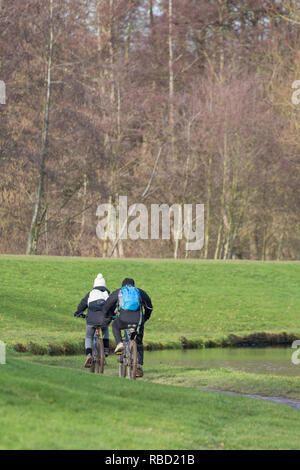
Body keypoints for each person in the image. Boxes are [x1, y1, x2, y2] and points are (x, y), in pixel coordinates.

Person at [102, 277, 153, 377]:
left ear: (123, 285)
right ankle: (138, 365)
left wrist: (106, 315)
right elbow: (149, 307)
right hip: (137, 321)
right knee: (138, 341)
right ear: (133, 285)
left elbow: (107, 305)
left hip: (123, 319)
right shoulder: (140, 292)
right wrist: (145, 318)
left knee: (115, 326)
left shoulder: (119, 292)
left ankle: (120, 343)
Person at [73, 273, 114, 368]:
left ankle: (88, 355)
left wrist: (78, 313)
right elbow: (112, 305)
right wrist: (112, 315)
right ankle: (106, 349)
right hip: (104, 320)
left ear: (94, 285)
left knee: (88, 337)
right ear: (104, 285)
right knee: (105, 329)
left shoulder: (91, 294)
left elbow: (82, 305)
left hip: (91, 320)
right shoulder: (107, 293)